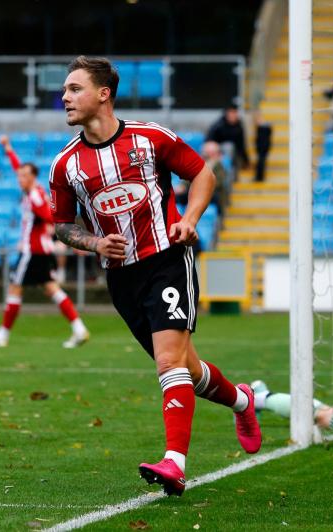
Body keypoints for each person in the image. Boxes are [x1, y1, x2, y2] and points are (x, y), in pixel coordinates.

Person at [50, 56, 261, 497]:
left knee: (168, 363)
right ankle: (243, 401)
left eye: (74, 89)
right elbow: (63, 225)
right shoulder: (65, 165)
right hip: (121, 278)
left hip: (167, 257)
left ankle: (174, 464)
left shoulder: (151, 138)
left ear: (103, 94)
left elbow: (201, 173)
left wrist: (191, 218)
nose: (64, 97)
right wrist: (93, 243)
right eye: (65, 90)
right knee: (187, 369)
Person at [0, 135, 89, 349]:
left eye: (24, 176)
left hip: (32, 252)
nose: (20, 178)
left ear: (32, 177)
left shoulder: (35, 197)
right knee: (52, 289)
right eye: (19, 176)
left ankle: (2, 335)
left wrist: (74, 240)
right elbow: (20, 168)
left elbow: (51, 217)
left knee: (15, 289)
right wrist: (9, 149)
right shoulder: (34, 190)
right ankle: (79, 328)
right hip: (42, 251)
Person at [254, 115, 272, 183]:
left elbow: (262, 139)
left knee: (261, 162)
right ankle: (259, 177)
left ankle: (260, 177)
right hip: (262, 148)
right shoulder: (262, 128)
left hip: (263, 148)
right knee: (261, 162)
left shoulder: (263, 128)